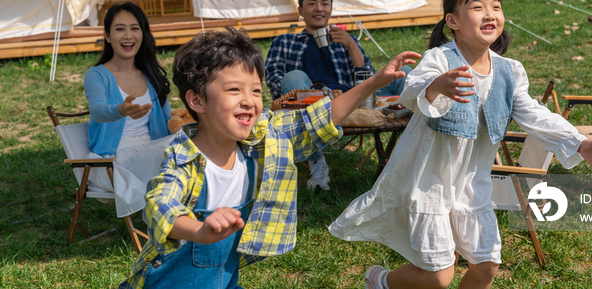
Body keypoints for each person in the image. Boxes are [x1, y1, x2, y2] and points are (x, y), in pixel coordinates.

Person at [328, 0, 592, 289]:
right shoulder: (440, 59)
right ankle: (380, 280)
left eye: (496, 6)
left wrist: (579, 142)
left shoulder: (508, 70)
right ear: (453, 21)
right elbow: (411, 93)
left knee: (488, 265)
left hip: (473, 185)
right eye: (478, 7)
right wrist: (437, 86)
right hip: (431, 183)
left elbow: (535, 114)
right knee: (439, 276)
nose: (490, 13)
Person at [119, 27, 419, 289]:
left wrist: (374, 82)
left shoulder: (263, 142)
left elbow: (313, 121)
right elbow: (159, 206)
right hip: (166, 282)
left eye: (256, 90)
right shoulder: (183, 157)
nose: (249, 100)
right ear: (197, 100)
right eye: (234, 90)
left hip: (224, 280)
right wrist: (200, 230)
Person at [264, 0, 410, 191]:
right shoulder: (285, 42)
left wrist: (351, 45)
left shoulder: (344, 40)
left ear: (331, 9)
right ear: (300, 10)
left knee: (404, 73)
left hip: (353, 99)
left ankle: (412, 151)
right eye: (312, 3)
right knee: (294, 75)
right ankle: (315, 158)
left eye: (324, 3)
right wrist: (318, 95)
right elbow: (276, 82)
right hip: (310, 104)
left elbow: (367, 78)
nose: (319, 8)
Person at [84, 2, 173, 218]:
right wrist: (121, 110)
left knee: (190, 144)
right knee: (173, 153)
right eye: (119, 29)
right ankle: (168, 220)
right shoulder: (97, 75)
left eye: (134, 28)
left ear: (143, 34)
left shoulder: (149, 73)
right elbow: (97, 111)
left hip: (152, 147)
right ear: (107, 36)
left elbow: (170, 118)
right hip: (113, 160)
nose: (128, 35)